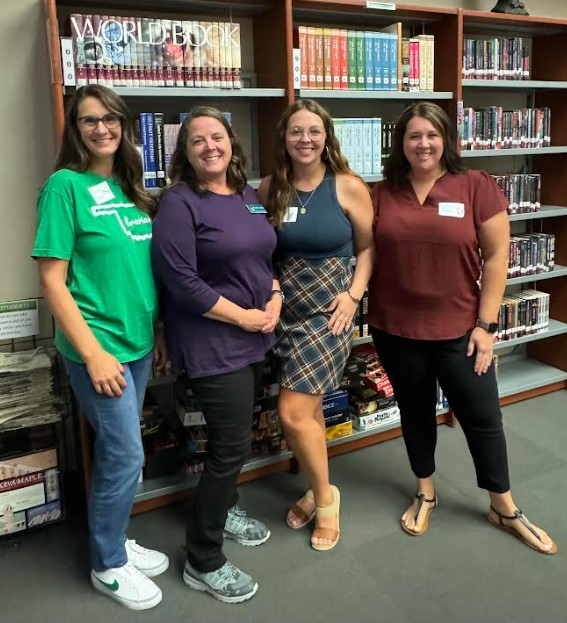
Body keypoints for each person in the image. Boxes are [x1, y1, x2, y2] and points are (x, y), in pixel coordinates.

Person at [368, 101, 556, 554]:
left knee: (483, 418)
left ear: (448, 140)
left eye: (432, 135)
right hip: (395, 329)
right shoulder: (381, 192)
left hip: (459, 330)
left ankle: (504, 506)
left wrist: (486, 326)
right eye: (414, 136)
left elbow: (496, 259)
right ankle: (425, 490)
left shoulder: (475, 186)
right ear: (402, 143)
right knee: (414, 412)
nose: (423, 144)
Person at [32, 84, 170, 611]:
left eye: (111, 119)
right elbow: (53, 282)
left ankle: (115, 539)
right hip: (98, 348)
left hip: (135, 343)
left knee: (122, 451)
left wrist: (155, 331)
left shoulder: (134, 191)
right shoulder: (63, 187)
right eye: (89, 121)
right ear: (76, 129)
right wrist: (91, 353)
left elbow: (139, 272)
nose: (101, 129)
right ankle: (107, 564)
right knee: (126, 453)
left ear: (125, 126)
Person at [152, 107, 278, 603]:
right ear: (185, 151)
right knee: (230, 447)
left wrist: (275, 296)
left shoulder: (247, 196)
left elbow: (263, 256)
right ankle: (202, 560)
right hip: (213, 340)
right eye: (198, 139)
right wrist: (243, 317)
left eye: (218, 136)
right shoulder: (179, 204)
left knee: (237, 437)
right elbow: (181, 282)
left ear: (232, 144)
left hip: (254, 334)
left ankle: (224, 509)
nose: (210, 146)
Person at [258, 99, 374, 551]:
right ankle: (317, 486)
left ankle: (326, 500)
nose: (305, 140)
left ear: (327, 137)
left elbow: (367, 249)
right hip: (284, 311)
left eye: (314, 131)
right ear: (283, 140)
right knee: (302, 415)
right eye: (295, 132)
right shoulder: (270, 189)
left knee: (290, 411)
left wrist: (354, 295)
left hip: (331, 313)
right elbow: (261, 249)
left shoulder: (347, 186)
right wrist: (270, 287)